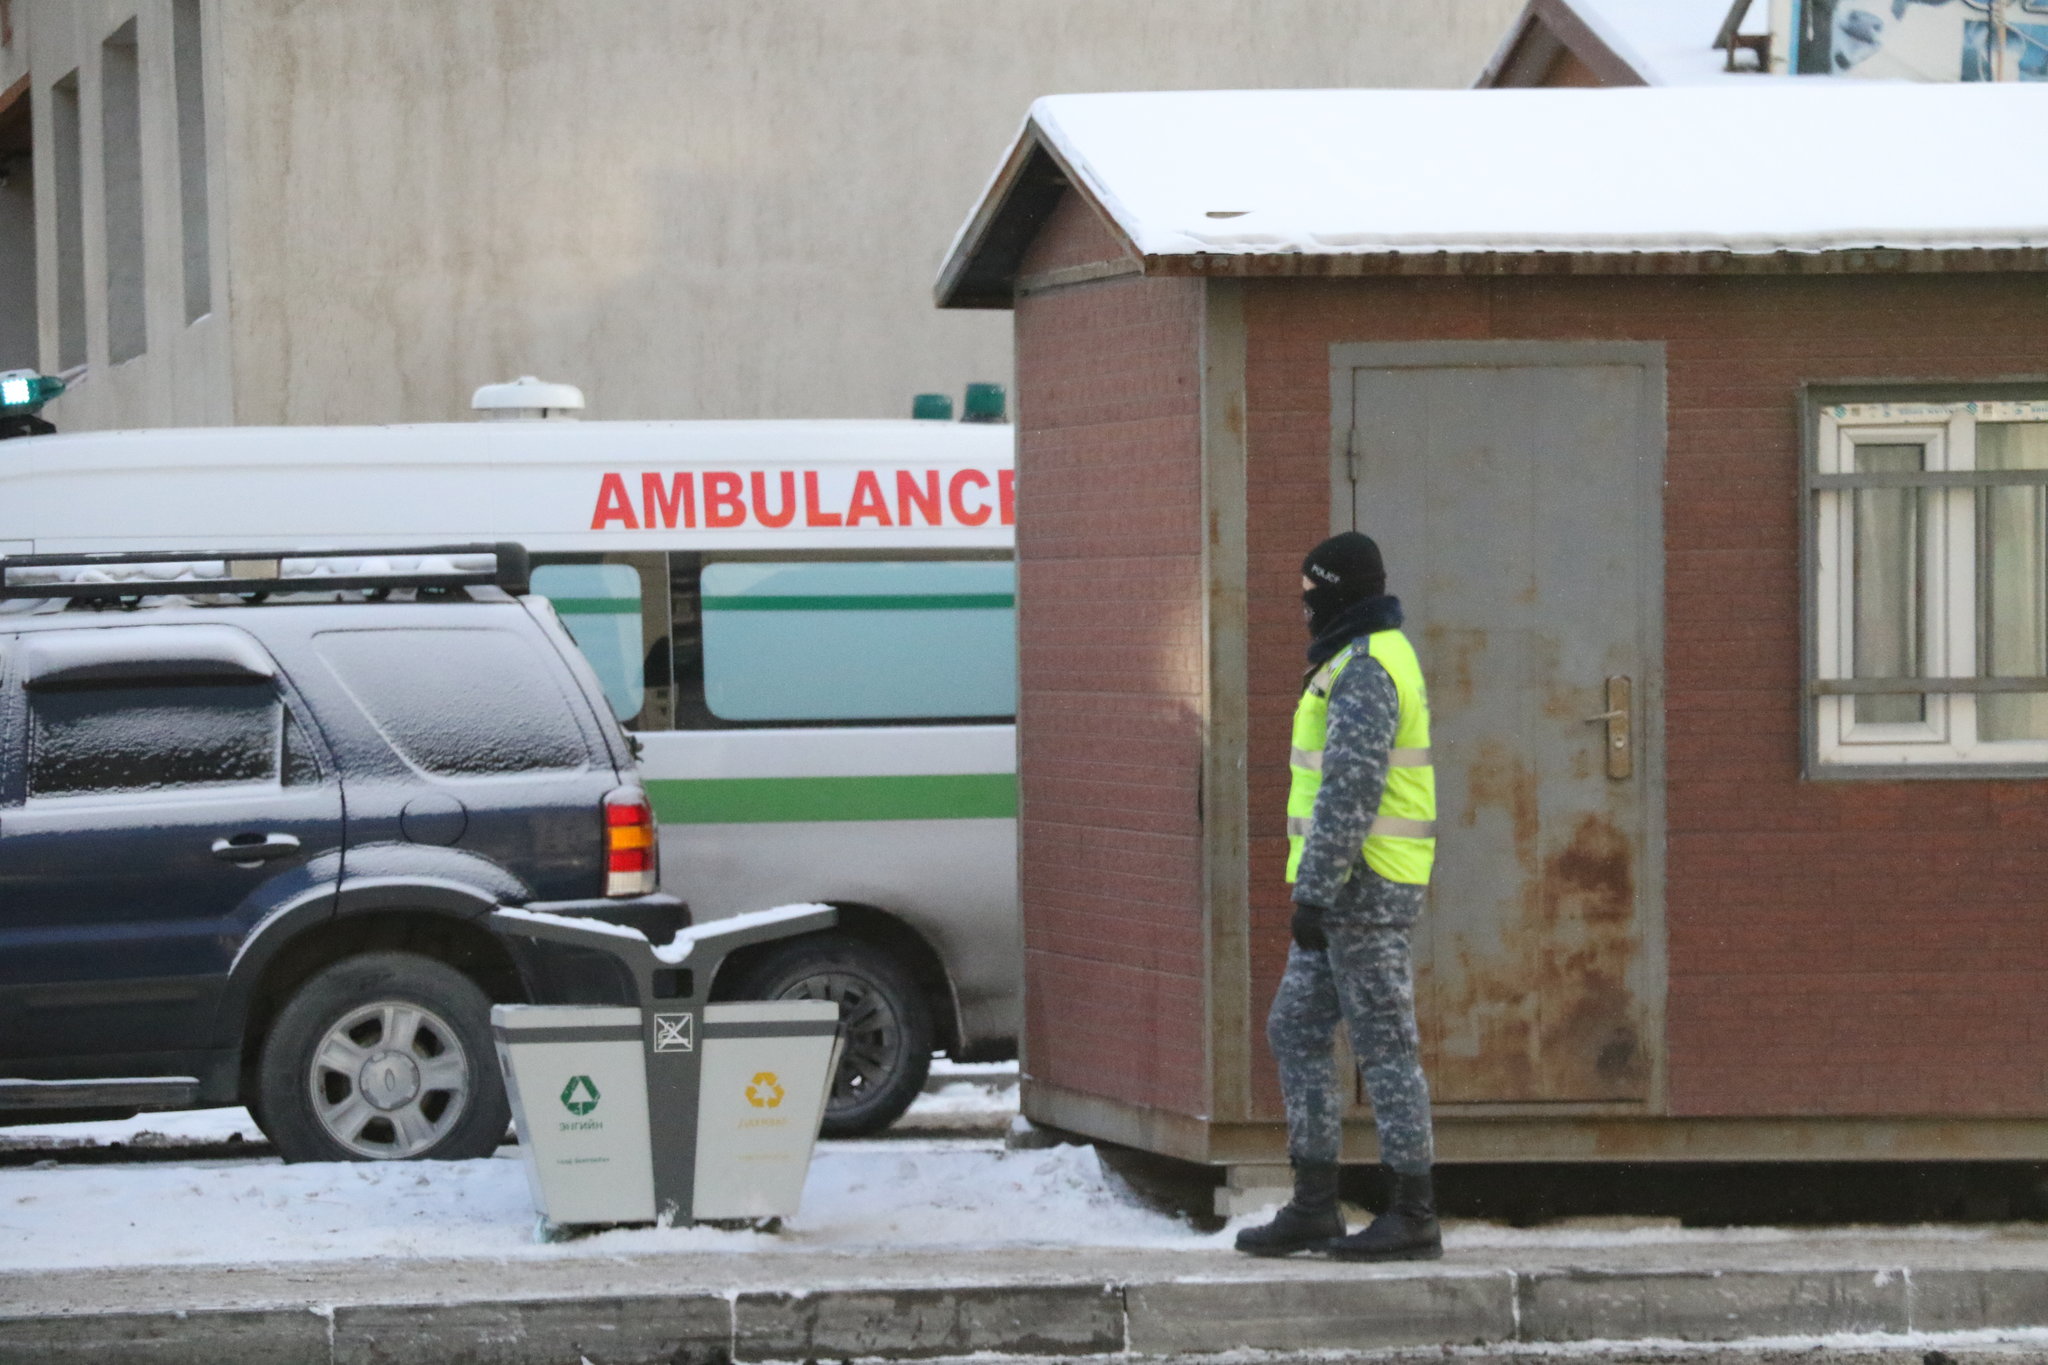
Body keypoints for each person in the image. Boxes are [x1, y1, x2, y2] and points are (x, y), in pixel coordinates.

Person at [1234, 530, 1441, 1261]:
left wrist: (1315, 891)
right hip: (1347, 884)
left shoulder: (1366, 666)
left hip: (1366, 882)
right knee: (1295, 1026)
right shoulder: (1355, 657)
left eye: (1309, 594)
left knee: (1385, 1045)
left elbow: (1351, 790)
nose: (1304, 608)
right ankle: (1315, 1205)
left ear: (1338, 591)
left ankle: (1413, 1210)